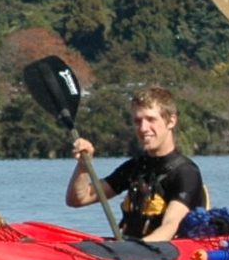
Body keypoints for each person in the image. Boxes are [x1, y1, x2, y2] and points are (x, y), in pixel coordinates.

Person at [64, 85, 205, 243]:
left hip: (164, 256)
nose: (143, 128)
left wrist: (132, 253)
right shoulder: (135, 167)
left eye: (151, 119)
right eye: (138, 121)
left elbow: (170, 226)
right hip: (131, 250)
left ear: (171, 121)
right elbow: (78, 199)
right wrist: (83, 167)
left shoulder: (186, 173)